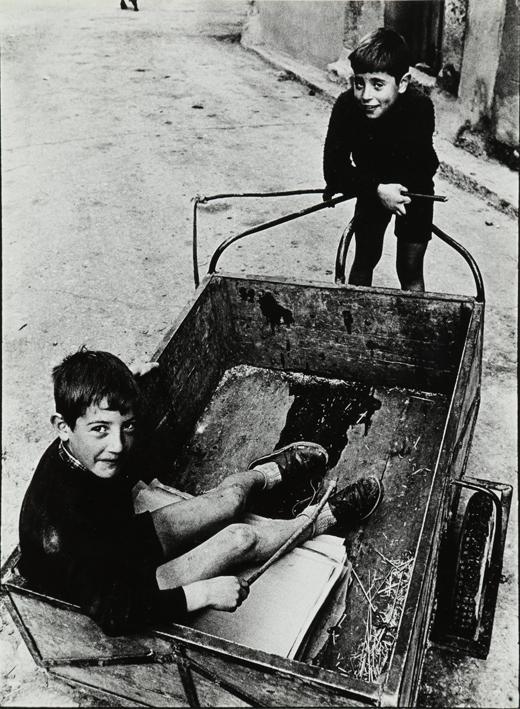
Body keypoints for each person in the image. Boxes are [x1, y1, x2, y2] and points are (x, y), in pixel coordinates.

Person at [19, 349, 383, 636]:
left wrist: (127, 384)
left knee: (230, 501)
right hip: (124, 588)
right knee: (239, 538)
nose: (117, 445)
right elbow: (117, 614)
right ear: (62, 427)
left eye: (126, 426)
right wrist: (204, 593)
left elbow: (108, 411)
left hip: (119, 541)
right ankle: (319, 520)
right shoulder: (61, 533)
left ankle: (264, 474)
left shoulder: (85, 439)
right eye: (100, 429)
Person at [323, 28, 439, 291]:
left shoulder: (419, 107)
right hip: (371, 184)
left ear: (403, 82)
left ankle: (414, 324)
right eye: (359, 83)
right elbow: (334, 170)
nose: (366, 95)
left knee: (409, 269)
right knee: (365, 257)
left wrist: (385, 191)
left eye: (378, 84)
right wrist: (376, 190)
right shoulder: (345, 107)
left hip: (414, 191)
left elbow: (420, 167)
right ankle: (355, 320)